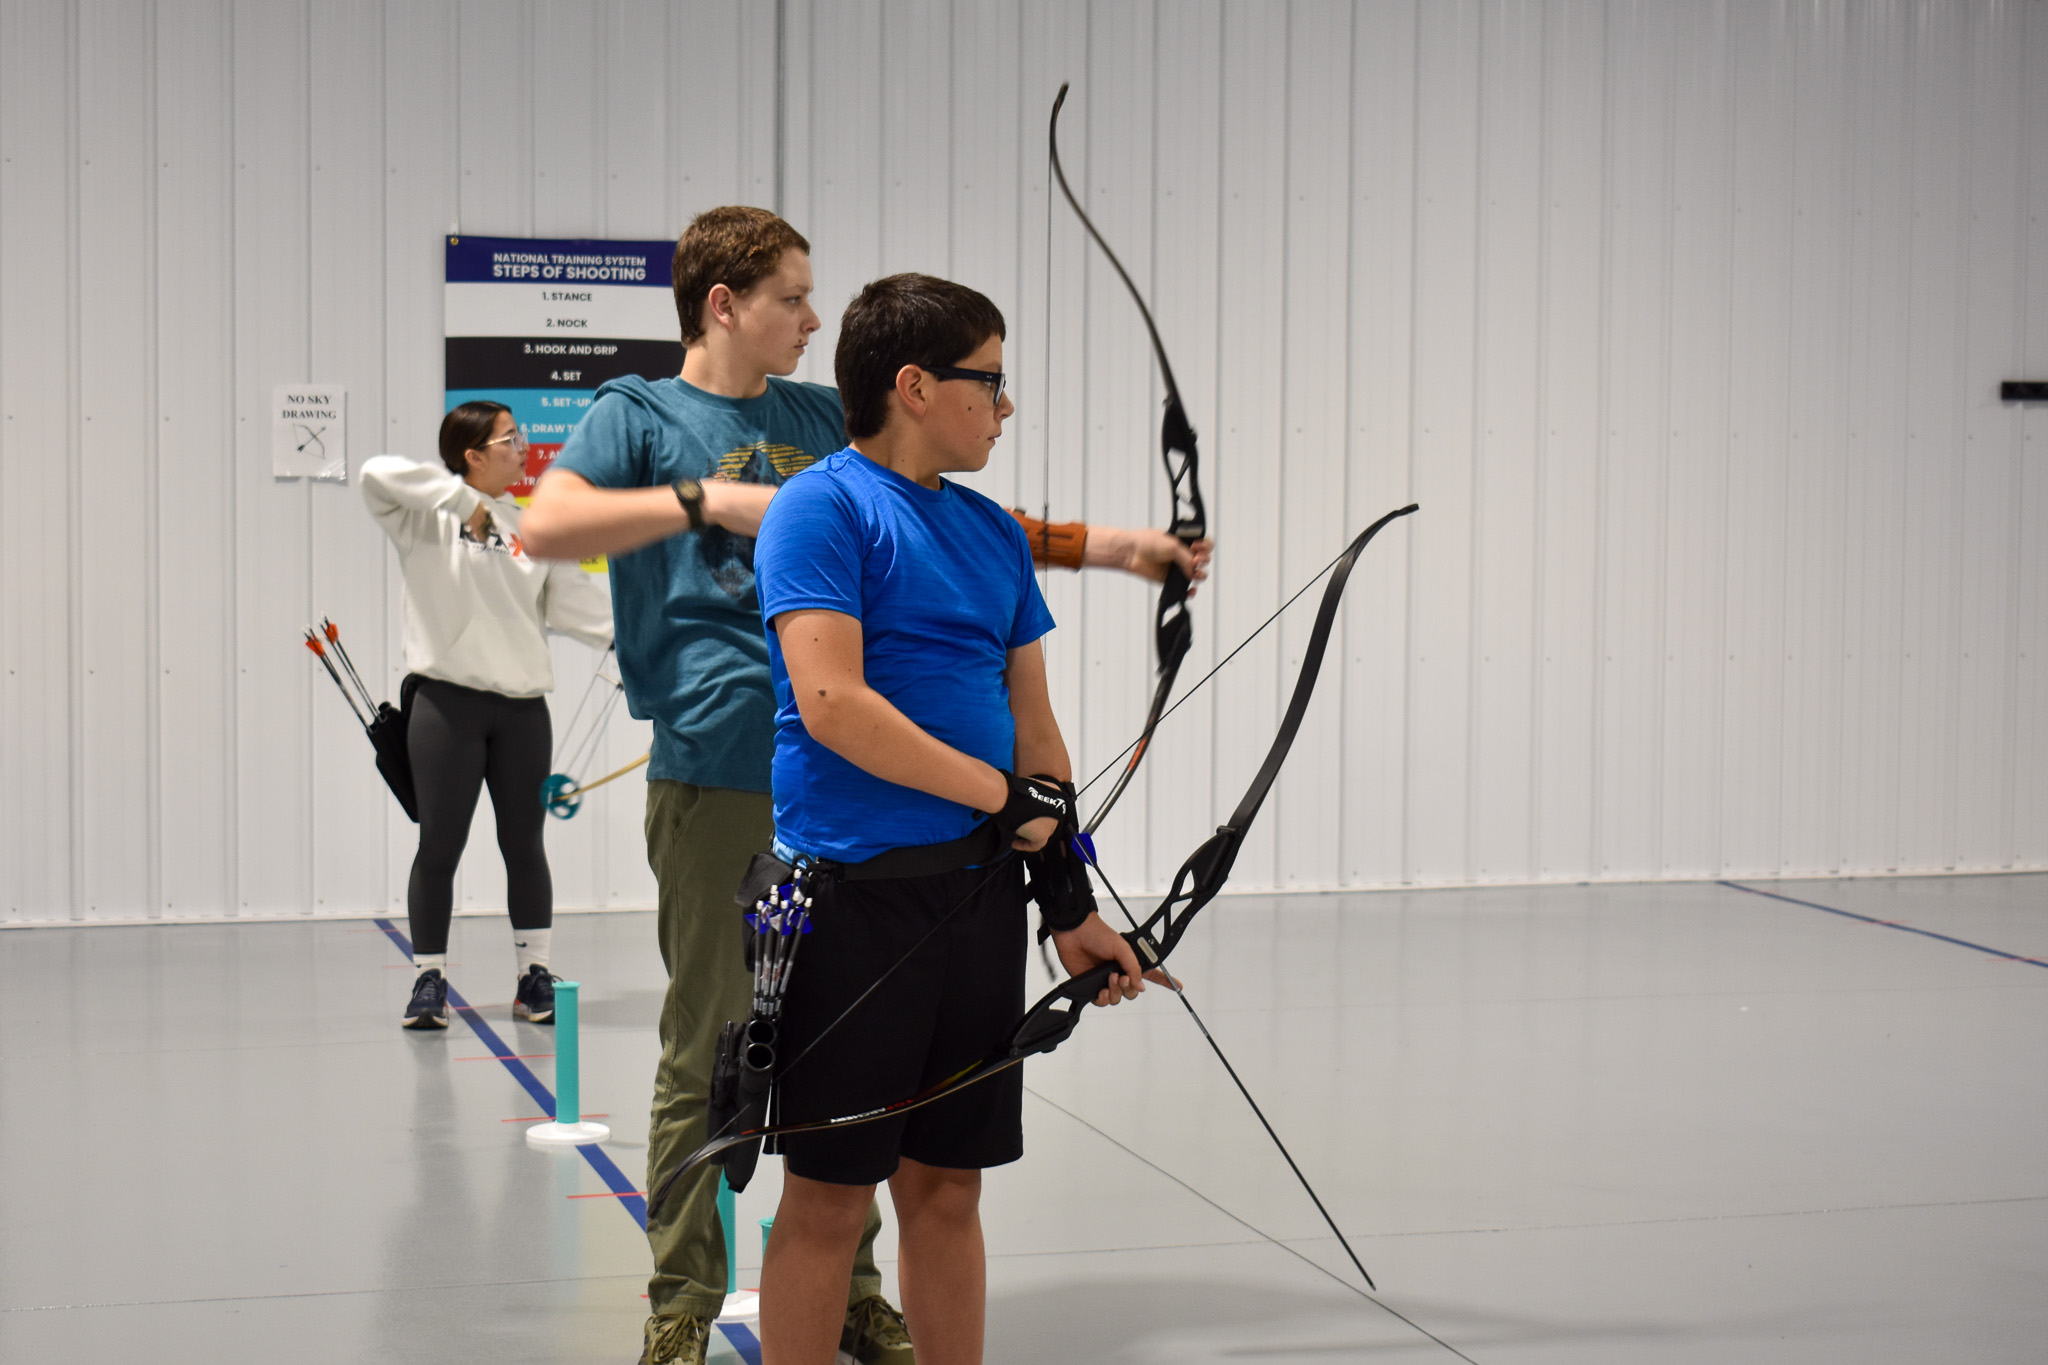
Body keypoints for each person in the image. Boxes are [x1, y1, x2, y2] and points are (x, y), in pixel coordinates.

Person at [519, 206, 1209, 1365]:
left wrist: (1115, 547)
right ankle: (682, 1300)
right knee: (726, 1059)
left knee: (909, 1149)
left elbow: (981, 568)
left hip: (949, 845)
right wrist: (707, 500)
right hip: (748, 780)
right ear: (722, 303)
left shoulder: (833, 430)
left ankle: (860, 1297)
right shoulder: (648, 420)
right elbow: (549, 527)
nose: (809, 313)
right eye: (789, 294)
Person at [753, 272, 1160, 1365]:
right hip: (855, 914)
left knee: (946, 1189)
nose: (1005, 405)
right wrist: (1001, 800)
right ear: (916, 385)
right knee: (831, 1200)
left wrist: (1067, 900)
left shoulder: (986, 531)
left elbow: (1035, 734)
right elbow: (832, 704)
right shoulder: (819, 508)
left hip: (977, 904)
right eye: (991, 380)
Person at [360, 403, 612, 1031]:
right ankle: (429, 979)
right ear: (472, 455)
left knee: (523, 844)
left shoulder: (532, 528)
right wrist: (457, 501)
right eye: (509, 438)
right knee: (439, 845)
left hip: (523, 711)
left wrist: (643, 650)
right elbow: (372, 473)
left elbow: (583, 612)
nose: (523, 447)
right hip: (446, 706)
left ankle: (534, 975)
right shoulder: (422, 516)